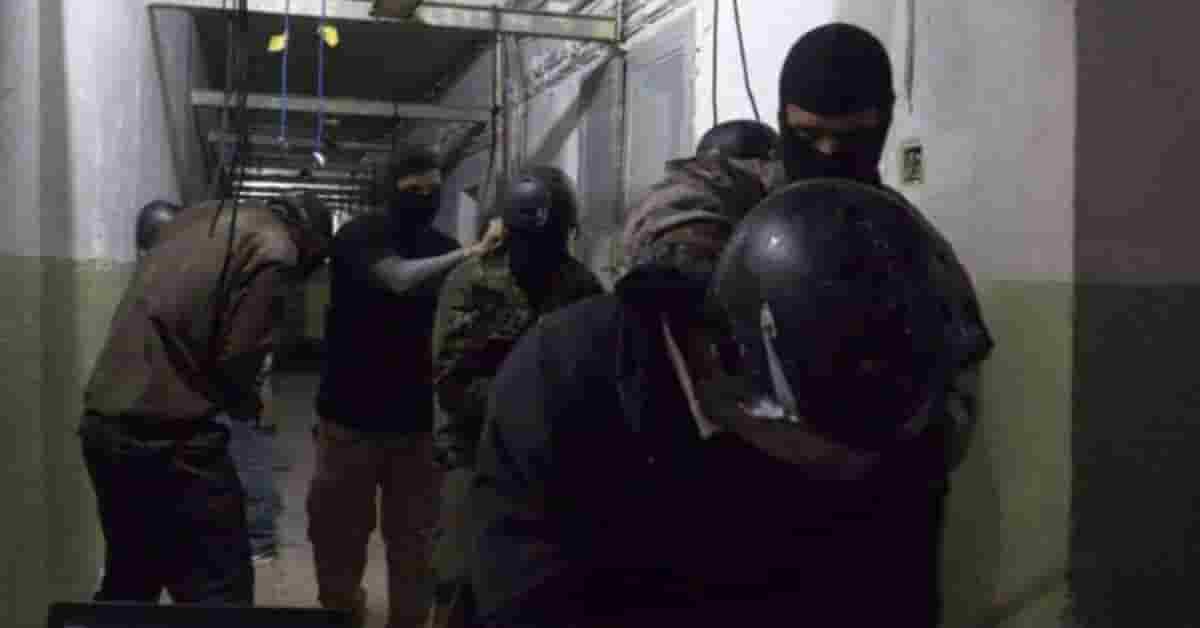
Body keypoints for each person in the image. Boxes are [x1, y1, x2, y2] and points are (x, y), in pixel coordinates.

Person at [467, 22, 993, 627]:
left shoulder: (909, 248)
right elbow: (671, 219)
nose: (828, 153)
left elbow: (951, 402)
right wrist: (732, 293)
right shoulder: (730, 203)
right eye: (809, 135)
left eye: (851, 135)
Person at [79, 193, 333, 605]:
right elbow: (239, 358)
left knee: (132, 577)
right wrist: (246, 401)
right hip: (173, 441)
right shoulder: (276, 248)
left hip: (103, 427)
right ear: (309, 238)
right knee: (220, 590)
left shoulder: (195, 218)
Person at [309, 145, 505, 628]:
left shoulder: (441, 244)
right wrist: (469, 253)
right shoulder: (358, 236)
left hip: (416, 422)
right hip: (349, 418)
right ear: (390, 190)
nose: (425, 197)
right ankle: (341, 613)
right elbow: (396, 278)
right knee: (339, 536)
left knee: (414, 544)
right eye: (414, 189)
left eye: (433, 189)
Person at [426, 166, 604, 628]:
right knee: (457, 580)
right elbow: (451, 385)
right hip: (475, 454)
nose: (541, 253)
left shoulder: (582, 288)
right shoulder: (472, 281)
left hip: (556, 464)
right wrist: (532, 402)